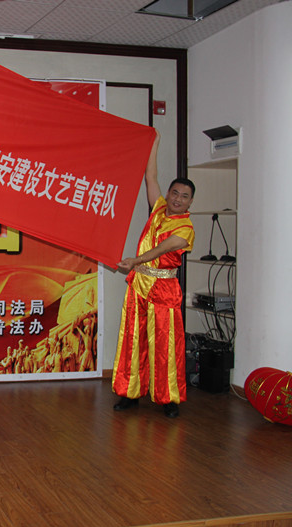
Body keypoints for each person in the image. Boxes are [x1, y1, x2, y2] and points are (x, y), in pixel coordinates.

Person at [112, 130, 195, 418]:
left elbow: (161, 249)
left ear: (190, 203)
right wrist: (154, 143)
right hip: (139, 285)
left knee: (165, 345)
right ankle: (129, 393)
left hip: (164, 289)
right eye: (175, 193)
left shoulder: (185, 229)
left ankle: (168, 398)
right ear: (169, 194)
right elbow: (151, 177)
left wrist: (134, 260)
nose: (178, 199)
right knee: (133, 340)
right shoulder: (158, 209)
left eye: (184, 197)